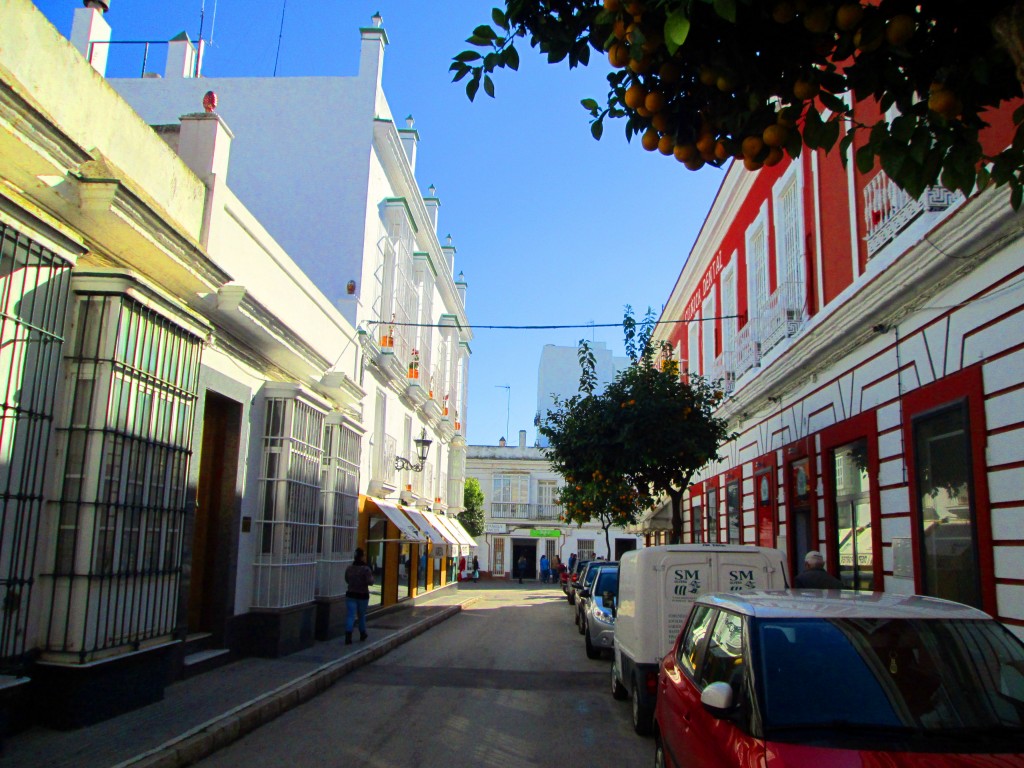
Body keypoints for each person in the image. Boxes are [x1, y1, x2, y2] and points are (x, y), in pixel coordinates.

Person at [344, 547, 374, 645]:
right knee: (361, 616)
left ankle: (348, 636)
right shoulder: (366, 569)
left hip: (351, 594)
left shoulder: (349, 568)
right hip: (362, 595)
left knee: (350, 615)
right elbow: (370, 582)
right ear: (362, 557)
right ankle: (362, 633)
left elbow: (347, 579)